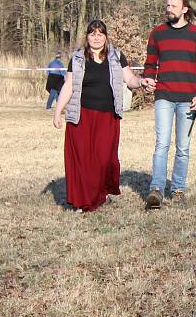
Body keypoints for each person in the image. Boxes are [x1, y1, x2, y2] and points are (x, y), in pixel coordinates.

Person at [52, 20, 147, 211]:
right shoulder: (77, 58)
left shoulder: (116, 56)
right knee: (82, 159)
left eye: (100, 34)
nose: (96, 37)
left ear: (105, 36)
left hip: (107, 117)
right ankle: (83, 201)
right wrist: (57, 112)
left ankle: (98, 194)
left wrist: (141, 81)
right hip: (81, 117)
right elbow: (68, 86)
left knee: (104, 159)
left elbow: (129, 79)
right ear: (87, 36)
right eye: (92, 34)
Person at [141, 0, 196, 209]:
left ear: (184, 9)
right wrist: (148, 78)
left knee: (183, 147)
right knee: (161, 144)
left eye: (173, 6)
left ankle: (178, 188)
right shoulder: (158, 33)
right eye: (167, 5)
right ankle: (157, 189)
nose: (168, 9)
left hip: (188, 100)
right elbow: (150, 63)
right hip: (164, 96)